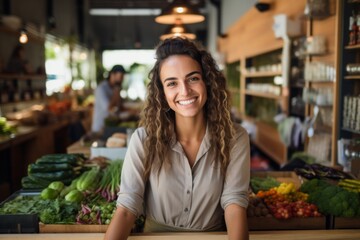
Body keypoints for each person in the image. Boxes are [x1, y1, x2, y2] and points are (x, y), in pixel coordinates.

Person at [104, 37, 250, 240]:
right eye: (172, 83)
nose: (185, 91)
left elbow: (235, 204)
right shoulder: (144, 139)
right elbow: (127, 209)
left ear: (207, 82)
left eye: (193, 78)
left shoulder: (235, 138)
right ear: (162, 93)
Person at [91, 65, 126, 133]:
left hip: (110, 126)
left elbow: (119, 106)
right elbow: (109, 108)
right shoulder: (101, 88)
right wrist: (116, 92)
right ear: (112, 75)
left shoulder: (115, 88)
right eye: (120, 76)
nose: (122, 79)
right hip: (100, 128)